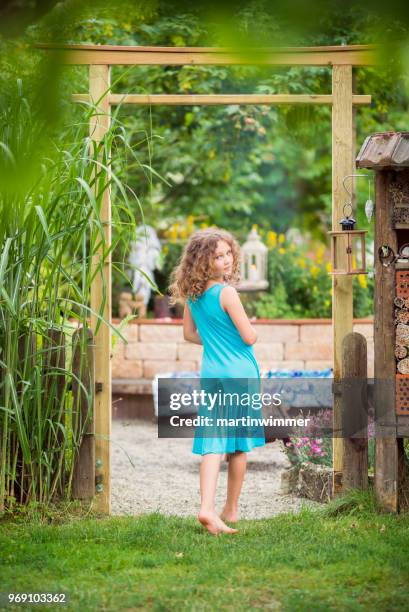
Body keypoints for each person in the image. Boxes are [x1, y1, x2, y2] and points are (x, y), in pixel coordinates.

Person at [168, 227, 266, 535]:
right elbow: (248, 337)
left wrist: (214, 342)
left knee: (213, 440)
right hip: (239, 373)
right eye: (217, 256)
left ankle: (212, 509)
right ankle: (227, 509)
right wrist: (251, 330)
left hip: (211, 373)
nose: (225, 261)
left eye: (227, 254)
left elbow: (188, 335)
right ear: (202, 261)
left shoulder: (194, 296)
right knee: (238, 445)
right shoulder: (227, 293)